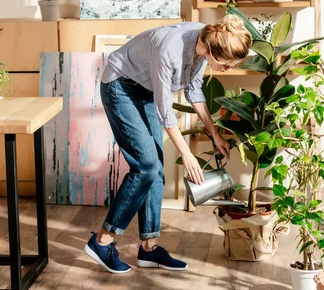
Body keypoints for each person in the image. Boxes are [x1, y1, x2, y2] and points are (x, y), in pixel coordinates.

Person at [83, 15, 253, 273]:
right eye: (227, 66)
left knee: (156, 170)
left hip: (145, 89)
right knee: (146, 166)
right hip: (120, 86)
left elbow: (194, 91)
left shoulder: (203, 45)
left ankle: (149, 249)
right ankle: (102, 242)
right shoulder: (169, 49)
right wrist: (187, 154)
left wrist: (214, 134)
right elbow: (165, 112)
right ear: (211, 51)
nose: (228, 70)